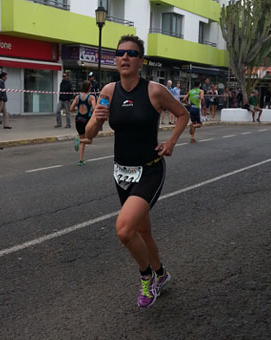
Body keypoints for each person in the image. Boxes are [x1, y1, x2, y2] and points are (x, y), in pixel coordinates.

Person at [85, 35, 189, 308]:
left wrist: (171, 142)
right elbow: (88, 135)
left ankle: (147, 278)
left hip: (150, 171)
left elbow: (183, 114)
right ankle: (162, 274)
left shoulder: (154, 91)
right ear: (115, 59)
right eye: (120, 53)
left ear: (140, 61)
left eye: (131, 53)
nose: (125, 58)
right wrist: (95, 122)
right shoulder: (108, 92)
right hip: (121, 174)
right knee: (143, 234)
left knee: (124, 229)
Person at [71, 80, 95, 166]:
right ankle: (78, 140)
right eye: (90, 87)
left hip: (78, 120)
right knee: (89, 140)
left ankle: (81, 160)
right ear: (88, 87)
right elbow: (94, 109)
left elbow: (71, 108)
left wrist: (78, 109)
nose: (91, 88)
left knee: (83, 142)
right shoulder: (91, 97)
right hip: (86, 120)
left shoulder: (77, 97)